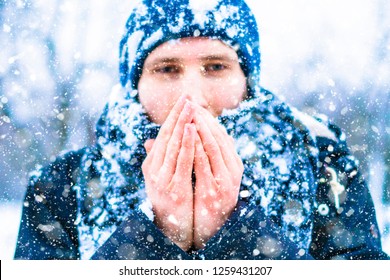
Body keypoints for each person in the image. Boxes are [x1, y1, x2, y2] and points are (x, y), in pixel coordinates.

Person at [14, 0, 389, 260]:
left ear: (248, 81)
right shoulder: (61, 184)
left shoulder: (322, 165)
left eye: (215, 67)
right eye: (166, 69)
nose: (191, 96)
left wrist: (236, 229)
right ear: (135, 84)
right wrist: (157, 230)